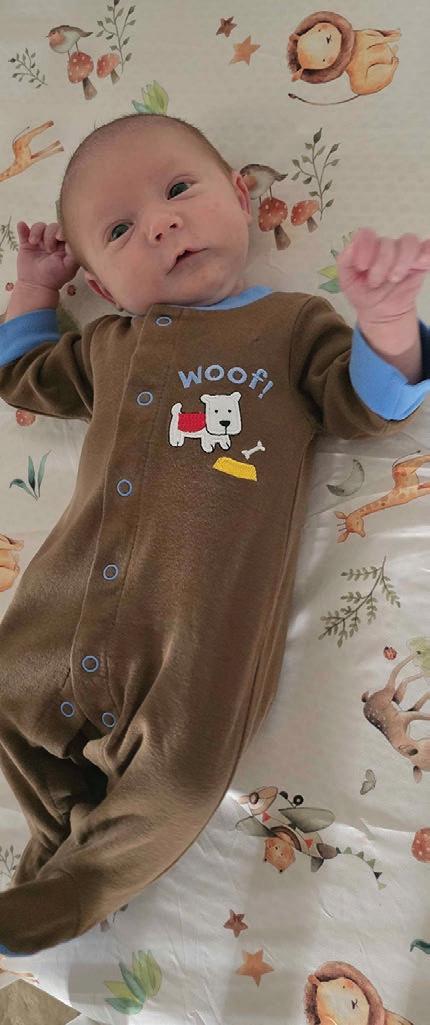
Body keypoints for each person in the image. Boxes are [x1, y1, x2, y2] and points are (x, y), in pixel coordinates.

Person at [0, 112, 430, 957]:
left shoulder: (289, 324)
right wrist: (35, 289)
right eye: (119, 231)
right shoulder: (107, 345)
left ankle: (78, 888)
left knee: (184, 775)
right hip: (61, 604)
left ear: (241, 197)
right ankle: (60, 838)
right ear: (104, 287)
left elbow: (367, 404)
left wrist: (386, 322)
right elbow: (21, 373)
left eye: (178, 189)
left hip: (195, 637)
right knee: (9, 695)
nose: (160, 223)